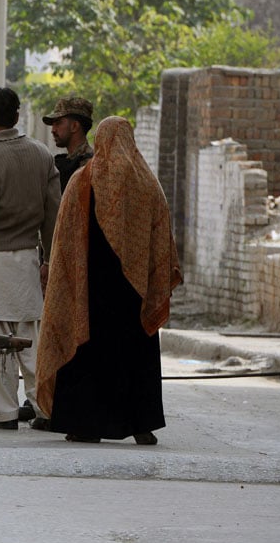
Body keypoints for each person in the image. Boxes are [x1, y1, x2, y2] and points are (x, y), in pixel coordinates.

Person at [35, 117, 182, 445]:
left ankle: (84, 424)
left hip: (91, 291)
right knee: (135, 356)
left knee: (87, 353)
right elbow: (162, 239)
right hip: (133, 294)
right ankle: (141, 425)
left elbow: (64, 241)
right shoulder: (147, 183)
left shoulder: (83, 179)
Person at [0, 86, 60, 430]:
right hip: (30, 261)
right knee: (31, 339)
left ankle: (4, 412)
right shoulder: (42, 154)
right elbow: (53, 217)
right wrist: (49, 261)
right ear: (17, 116)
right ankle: (46, 408)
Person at [42, 97, 95, 192]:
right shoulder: (66, 161)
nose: (53, 130)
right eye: (53, 124)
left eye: (58, 123)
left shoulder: (89, 164)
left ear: (74, 126)